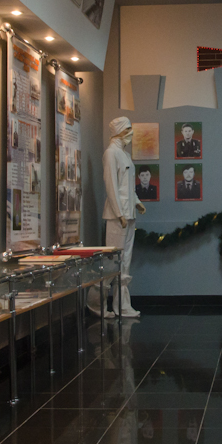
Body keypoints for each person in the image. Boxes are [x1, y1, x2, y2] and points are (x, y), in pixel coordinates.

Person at [97, 116, 144, 318]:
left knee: (125, 262)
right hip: (118, 217)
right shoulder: (111, 153)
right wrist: (119, 213)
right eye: (128, 129)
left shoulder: (125, 155)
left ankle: (122, 305)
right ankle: (97, 305)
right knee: (113, 263)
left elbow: (128, 186)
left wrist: (136, 202)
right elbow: (111, 187)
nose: (131, 133)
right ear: (119, 131)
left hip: (128, 214)